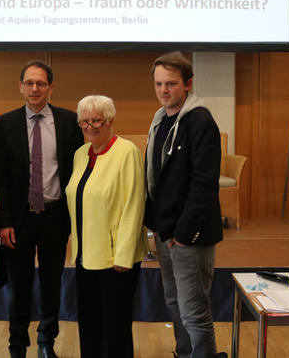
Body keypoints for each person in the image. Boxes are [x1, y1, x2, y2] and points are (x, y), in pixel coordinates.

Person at [0, 60, 84, 358]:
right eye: (29, 83)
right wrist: (3, 221)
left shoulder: (69, 121)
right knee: (18, 287)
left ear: (51, 88)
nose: (34, 88)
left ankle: (47, 343)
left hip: (55, 216)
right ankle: (17, 346)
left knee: (50, 284)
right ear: (20, 87)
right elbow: (1, 177)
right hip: (18, 220)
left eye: (40, 83)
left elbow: (75, 170)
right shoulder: (5, 123)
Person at [144, 52, 226, 358]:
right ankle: (184, 353)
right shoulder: (160, 120)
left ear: (187, 84)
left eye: (171, 84)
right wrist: (155, 226)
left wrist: (183, 232)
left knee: (194, 309)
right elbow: (155, 177)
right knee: (174, 302)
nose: (164, 90)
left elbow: (204, 184)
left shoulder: (200, 120)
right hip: (166, 232)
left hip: (189, 235)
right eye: (159, 84)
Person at [65, 95, 147, 358]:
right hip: (85, 256)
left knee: (115, 328)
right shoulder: (80, 154)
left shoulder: (127, 152)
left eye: (97, 120)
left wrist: (123, 254)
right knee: (89, 324)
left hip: (115, 260)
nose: (91, 126)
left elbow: (133, 206)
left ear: (110, 120)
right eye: (85, 121)